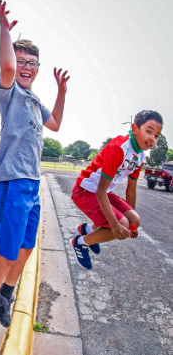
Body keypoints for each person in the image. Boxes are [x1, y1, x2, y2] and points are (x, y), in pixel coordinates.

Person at [0, 1, 70, 336]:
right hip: (10, 183)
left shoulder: (33, 99)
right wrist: (3, 28)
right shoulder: (10, 91)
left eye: (32, 63)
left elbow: (55, 123)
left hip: (31, 184)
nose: (25, 67)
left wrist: (61, 91)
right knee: (9, 249)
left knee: (26, 248)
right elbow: (7, 65)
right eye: (21, 61)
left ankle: (5, 294)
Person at [71, 110, 163, 269]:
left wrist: (131, 227)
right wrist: (115, 226)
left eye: (156, 135)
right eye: (148, 131)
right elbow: (100, 190)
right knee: (119, 224)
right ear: (135, 129)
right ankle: (79, 242)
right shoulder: (119, 148)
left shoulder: (139, 155)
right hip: (86, 190)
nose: (152, 138)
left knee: (134, 220)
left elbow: (131, 190)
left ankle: (86, 229)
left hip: (103, 192)